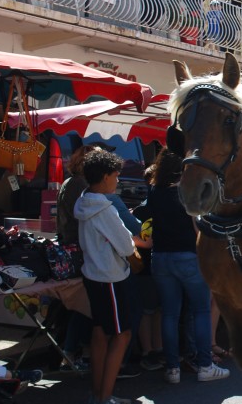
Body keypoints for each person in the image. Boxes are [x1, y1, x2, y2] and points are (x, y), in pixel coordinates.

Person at [136, 148, 229, 384]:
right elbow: (198, 229)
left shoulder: (154, 192)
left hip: (161, 258)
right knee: (201, 311)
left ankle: (172, 368)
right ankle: (205, 366)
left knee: (169, 313)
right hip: (188, 257)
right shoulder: (185, 193)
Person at [74, 149, 137, 404]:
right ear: (104, 177)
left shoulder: (84, 200)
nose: (118, 180)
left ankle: (98, 394)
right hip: (110, 276)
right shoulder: (105, 208)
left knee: (100, 332)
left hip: (92, 273)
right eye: (115, 175)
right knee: (122, 335)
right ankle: (105, 397)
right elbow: (126, 247)